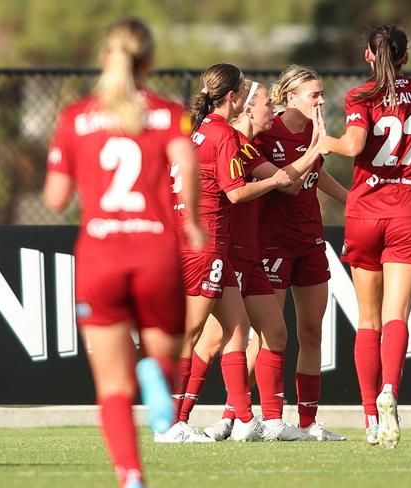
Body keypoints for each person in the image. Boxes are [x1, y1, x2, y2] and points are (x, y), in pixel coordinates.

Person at [43, 18, 201, 488]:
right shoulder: (170, 112)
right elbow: (187, 162)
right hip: (155, 249)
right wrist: (191, 221)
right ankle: (157, 377)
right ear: (149, 61)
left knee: (111, 387)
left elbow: (54, 198)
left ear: (104, 58)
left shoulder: (75, 116)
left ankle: (131, 476)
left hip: (99, 256)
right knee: (164, 354)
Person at [319, 25, 411, 448]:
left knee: (368, 319)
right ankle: (390, 393)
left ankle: (368, 419)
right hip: (409, 213)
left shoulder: (360, 96)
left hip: (364, 213)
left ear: (367, 55)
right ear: (406, 57)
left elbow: (354, 145)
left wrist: (321, 140)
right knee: (398, 316)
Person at [177, 80, 324, 441]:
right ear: (243, 107)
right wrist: (315, 148)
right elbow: (241, 192)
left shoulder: (240, 145)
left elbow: (284, 181)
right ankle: (180, 419)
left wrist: (307, 156)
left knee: (271, 332)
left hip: (246, 253)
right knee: (206, 338)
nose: (271, 112)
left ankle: (263, 420)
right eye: (265, 106)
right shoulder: (227, 138)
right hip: (219, 249)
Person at [157, 64, 293, 443]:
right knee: (191, 332)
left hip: (192, 238)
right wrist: (274, 180)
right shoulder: (223, 135)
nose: (250, 94)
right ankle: (170, 423)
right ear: (232, 97)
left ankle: (246, 419)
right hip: (208, 242)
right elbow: (234, 193)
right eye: (245, 88)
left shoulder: (198, 131)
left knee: (236, 328)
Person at [253, 65, 348, 442]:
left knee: (311, 332)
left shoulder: (314, 132)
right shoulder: (267, 130)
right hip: (272, 243)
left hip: (310, 241)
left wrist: (353, 202)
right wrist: (316, 147)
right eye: (314, 95)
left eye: (322, 93)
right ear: (290, 97)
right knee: (269, 335)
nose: (322, 100)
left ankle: (308, 422)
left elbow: (317, 174)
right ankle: (253, 416)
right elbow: (287, 185)